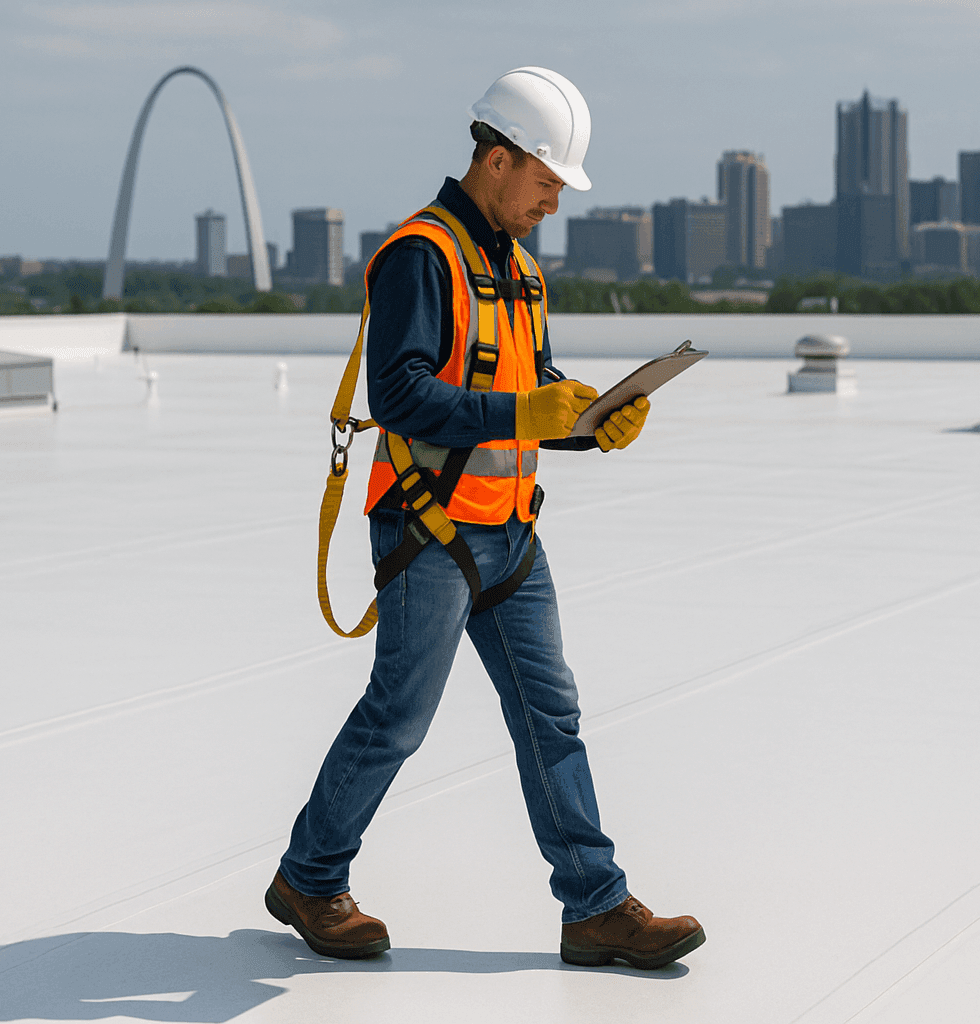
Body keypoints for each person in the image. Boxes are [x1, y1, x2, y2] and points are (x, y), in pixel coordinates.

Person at [266, 67, 705, 972]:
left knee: (553, 716)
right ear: (497, 161)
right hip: (430, 532)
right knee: (398, 718)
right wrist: (527, 414)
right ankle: (309, 878)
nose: (553, 202)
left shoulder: (522, 270)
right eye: (546, 183)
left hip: (509, 532)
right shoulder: (421, 257)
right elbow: (401, 395)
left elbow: (530, 391)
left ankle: (596, 907)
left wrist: (591, 424)